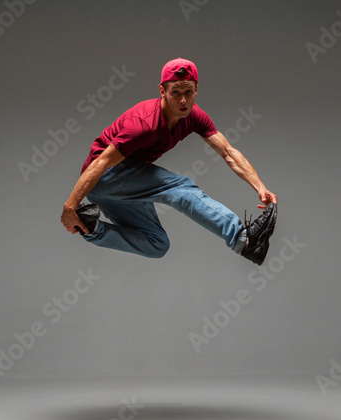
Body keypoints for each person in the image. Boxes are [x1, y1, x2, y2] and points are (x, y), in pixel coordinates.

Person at [61, 57, 277, 265]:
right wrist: (70, 207)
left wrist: (260, 187)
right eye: (175, 93)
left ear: (196, 90)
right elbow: (100, 163)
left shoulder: (194, 116)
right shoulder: (144, 123)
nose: (183, 100)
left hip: (122, 185)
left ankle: (91, 228)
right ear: (162, 91)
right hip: (104, 176)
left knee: (157, 244)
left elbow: (228, 153)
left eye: (188, 92)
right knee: (179, 187)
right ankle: (242, 239)